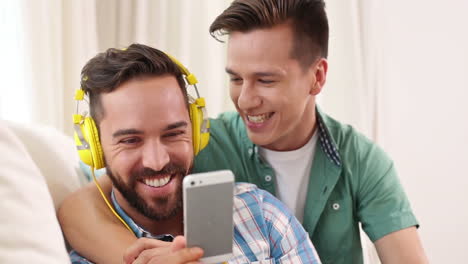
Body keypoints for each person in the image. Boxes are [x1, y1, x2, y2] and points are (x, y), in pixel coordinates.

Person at [59, 1, 428, 263]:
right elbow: (84, 204)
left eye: (265, 80)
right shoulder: (197, 141)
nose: (245, 99)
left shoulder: (362, 160)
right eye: (235, 78)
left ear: (317, 77)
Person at [62, 44, 321, 264]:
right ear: (95, 149)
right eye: (131, 141)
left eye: (173, 134)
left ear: (197, 132)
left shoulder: (262, 215)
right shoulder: (85, 258)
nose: (157, 161)